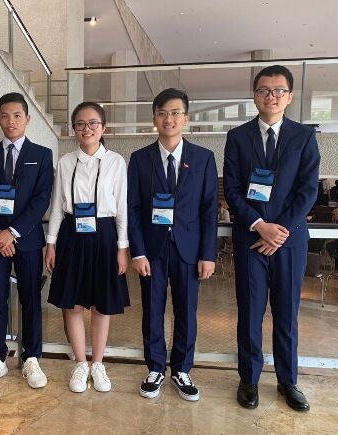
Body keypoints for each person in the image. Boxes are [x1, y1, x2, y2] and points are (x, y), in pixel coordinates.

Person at [223, 65, 320, 412]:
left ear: (289, 97)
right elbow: (232, 189)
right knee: (250, 312)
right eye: (264, 90)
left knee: (286, 313)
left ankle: (287, 381)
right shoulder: (238, 137)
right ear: (255, 96)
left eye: (279, 90)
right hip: (250, 239)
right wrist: (259, 225)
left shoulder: (304, 137)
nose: (271, 96)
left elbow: (308, 190)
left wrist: (278, 231)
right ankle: (249, 380)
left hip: (289, 243)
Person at [127, 88, 218, 402]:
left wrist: (208, 254)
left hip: (189, 249)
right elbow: (132, 209)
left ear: (186, 118)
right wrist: (137, 251)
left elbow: (209, 210)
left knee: (186, 312)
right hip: (152, 250)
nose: (169, 119)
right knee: (152, 310)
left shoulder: (203, 159)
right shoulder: (140, 160)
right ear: (154, 118)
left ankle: (182, 369)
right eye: (163, 113)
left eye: (176, 112)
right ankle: (155, 367)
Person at [45, 102, 129, 393]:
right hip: (72, 233)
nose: (87, 129)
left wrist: (122, 247)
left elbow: (122, 208)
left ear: (103, 128)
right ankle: (81, 363)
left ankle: (98, 364)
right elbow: (57, 207)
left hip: (105, 234)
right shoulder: (65, 162)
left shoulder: (116, 162)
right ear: (74, 129)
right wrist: (51, 243)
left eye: (93, 123)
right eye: (80, 124)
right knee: (73, 303)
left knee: (102, 305)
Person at [0, 92, 53, 389]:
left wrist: (13, 232)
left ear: (27, 119)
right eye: (5, 116)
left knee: (30, 299)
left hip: (27, 240)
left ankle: (31, 357)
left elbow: (41, 199)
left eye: (17, 115)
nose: (11, 121)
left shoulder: (42, 155)